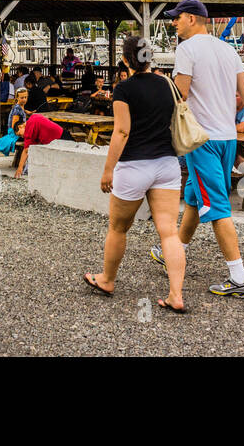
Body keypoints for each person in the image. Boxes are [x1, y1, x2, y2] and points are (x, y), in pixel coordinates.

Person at [149, 0, 244, 297]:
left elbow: (179, 95)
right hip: (226, 138)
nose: (173, 23)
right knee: (195, 193)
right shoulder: (227, 49)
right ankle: (175, 250)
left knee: (216, 206)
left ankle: (239, 277)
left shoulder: (186, 49)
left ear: (192, 19)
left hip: (201, 139)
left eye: (177, 18)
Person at [84, 36, 187, 312]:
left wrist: (108, 170)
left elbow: (122, 131)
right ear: (149, 58)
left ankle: (107, 279)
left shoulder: (124, 89)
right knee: (169, 232)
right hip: (167, 164)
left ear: (126, 60)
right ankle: (176, 294)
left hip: (134, 165)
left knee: (118, 227)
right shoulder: (167, 85)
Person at [13, 113, 64, 179]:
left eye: (20, 134)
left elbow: (26, 151)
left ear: (20, 126)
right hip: (61, 134)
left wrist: (20, 167)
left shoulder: (29, 128)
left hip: (61, 140)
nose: (22, 137)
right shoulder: (33, 117)